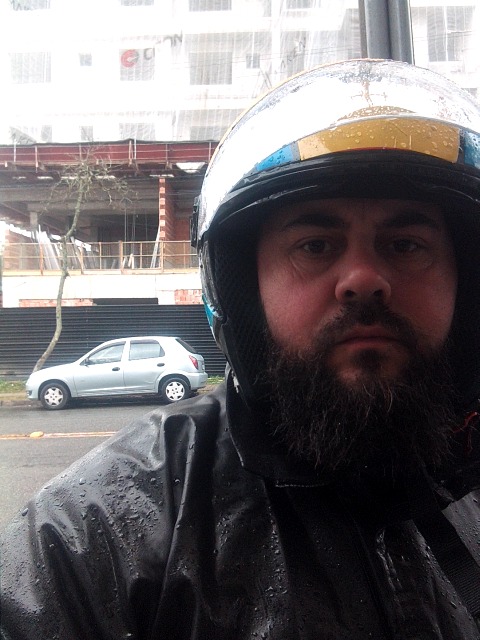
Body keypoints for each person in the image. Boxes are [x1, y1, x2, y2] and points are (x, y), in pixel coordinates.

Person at [2, 58, 480, 639]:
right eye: (315, 245)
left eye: (405, 244)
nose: (362, 278)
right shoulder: (91, 536)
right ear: (243, 289)